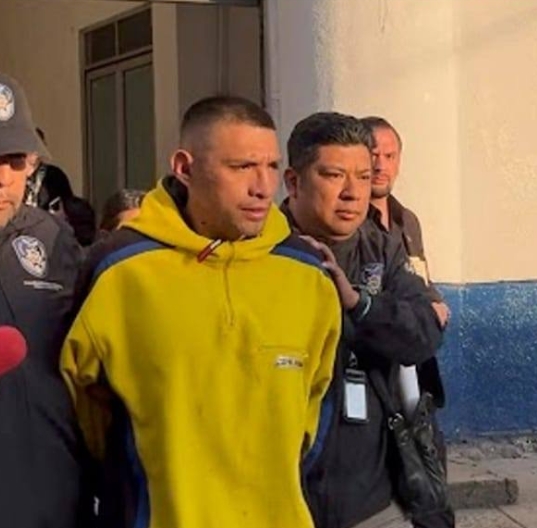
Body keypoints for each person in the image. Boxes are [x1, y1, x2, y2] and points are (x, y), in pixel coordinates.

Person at [61, 96, 341, 528]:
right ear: (184, 168)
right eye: (241, 167)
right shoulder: (120, 271)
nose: (262, 186)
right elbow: (84, 408)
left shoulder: (307, 275)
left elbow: (316, 410)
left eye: (271, 166)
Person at [282, 112, 453, 528]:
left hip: (373, 491)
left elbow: (423, 333)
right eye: (334, 175)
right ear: (294, 182)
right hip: (284, 486)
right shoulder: (261, 251)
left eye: (362, 177)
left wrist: (359, 305)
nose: (352, 193)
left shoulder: (382, 249)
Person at [0, 72, 86, 527]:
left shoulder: (55, 242)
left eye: (13, 160)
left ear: (32, 163)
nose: (2, 178)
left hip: (49, 498)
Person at [361, 116, 450, 406]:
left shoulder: (407, 220)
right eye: (373, 155)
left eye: (389, 156)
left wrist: (435, 304)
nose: (380, 166)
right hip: (373, 359)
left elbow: (419, 273)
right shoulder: (349, 223)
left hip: (415, 354)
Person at [24, 126, 74, 211]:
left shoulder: (55, 176)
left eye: (38, 146)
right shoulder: (13, 174)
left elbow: (67, 207)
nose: (34, 151)